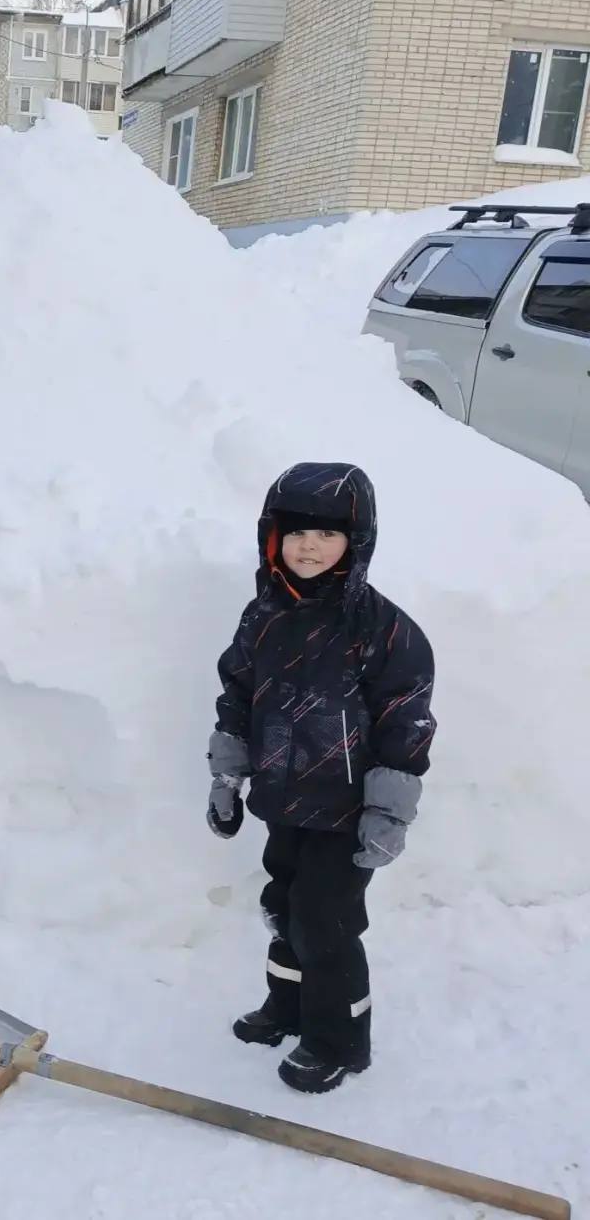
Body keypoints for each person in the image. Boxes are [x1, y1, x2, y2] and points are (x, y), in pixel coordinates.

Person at [206, 463, 435, 1093]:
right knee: (283, 906)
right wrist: (228, 776)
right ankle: (288, 1006)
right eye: (296, 532)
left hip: (346, 811)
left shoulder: (383, 630)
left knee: (324, 921)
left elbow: (405, 722)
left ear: (356, 542)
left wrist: (389, 813)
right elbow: (238, 695)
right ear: (271, 537)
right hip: (285, 800)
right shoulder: (263, 616)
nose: (310, 545)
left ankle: (339, 1039)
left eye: (328, 534)